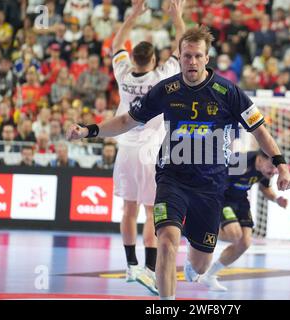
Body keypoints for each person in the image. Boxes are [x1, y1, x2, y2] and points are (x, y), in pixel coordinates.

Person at [67, 24, 290, 300]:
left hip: (210, 185)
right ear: (180, 55)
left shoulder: (228, 92)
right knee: (166, 241)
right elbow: (127, 120)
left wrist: (281, 165)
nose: (192, 61)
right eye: (187, 56)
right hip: (171, 178)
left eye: (198, 56)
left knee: (200, 264)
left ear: (207, 58)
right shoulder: (167, 89)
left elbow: (259, 129)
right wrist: (89, 130)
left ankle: (194, 262)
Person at [104, 0, 185, 295]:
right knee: (151, 213)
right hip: (151, 151)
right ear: (152, 61)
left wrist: (133, 16)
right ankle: (150, 271)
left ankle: (130, 266)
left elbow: (115, 44)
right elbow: (181, 46)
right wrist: (177, 16)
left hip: (125, 147)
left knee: (128, 209)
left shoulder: (123, 74)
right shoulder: (161, 78)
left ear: (134, 59)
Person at [198, 150, 288, 291]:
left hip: (241, 201)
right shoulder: (239, 162)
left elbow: (265, 189)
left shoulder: (265, 171)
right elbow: (214, 181)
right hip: (223, 198)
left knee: (244, 243)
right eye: (271, 167)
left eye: (275, 168)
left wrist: (277, 199)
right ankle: (198, 235)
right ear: (260, 159)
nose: (274, 171)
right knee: (234, 234)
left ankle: (209, 276)